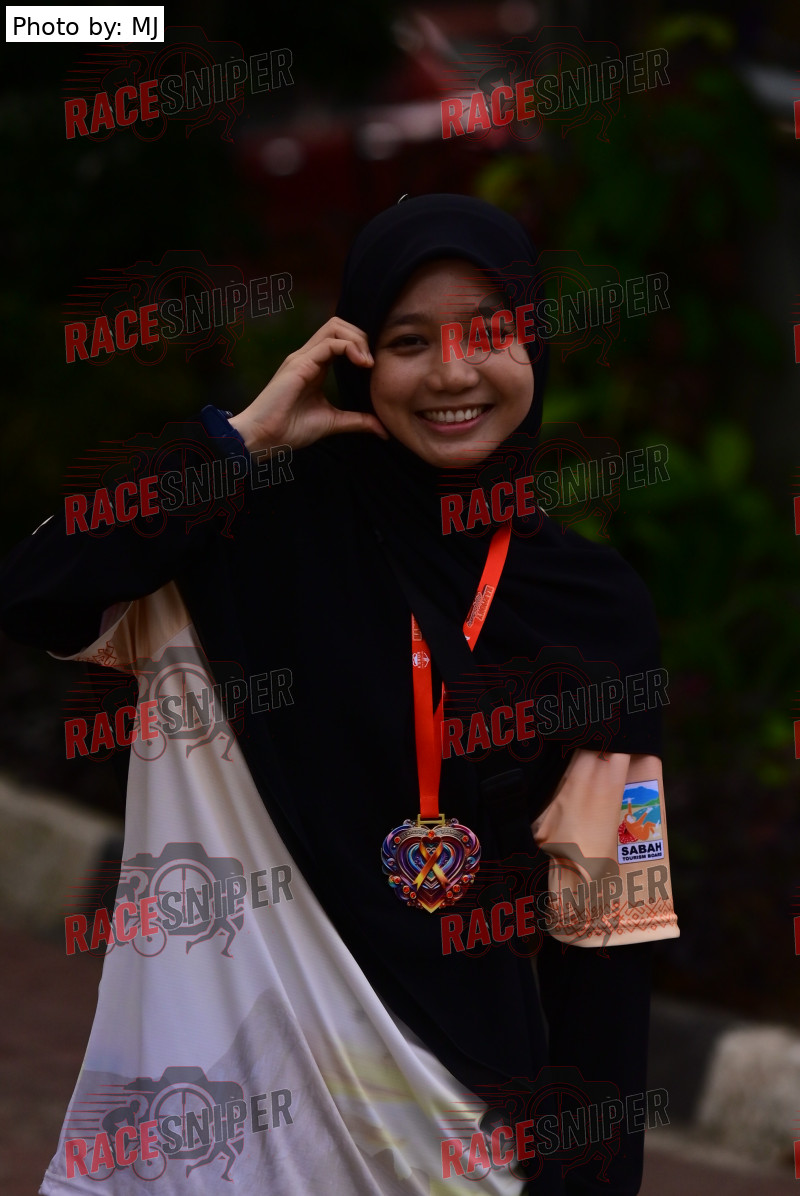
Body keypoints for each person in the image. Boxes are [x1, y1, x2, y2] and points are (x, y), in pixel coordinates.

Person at [0, 193, 678, 1194]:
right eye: (408, 341)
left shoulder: (593, 610)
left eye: (486, 332)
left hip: (443, 1147)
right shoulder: (234, 537)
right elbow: (34, 591)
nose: (452, 373)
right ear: (354, 353)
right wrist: (236, 441)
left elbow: (604, 939)